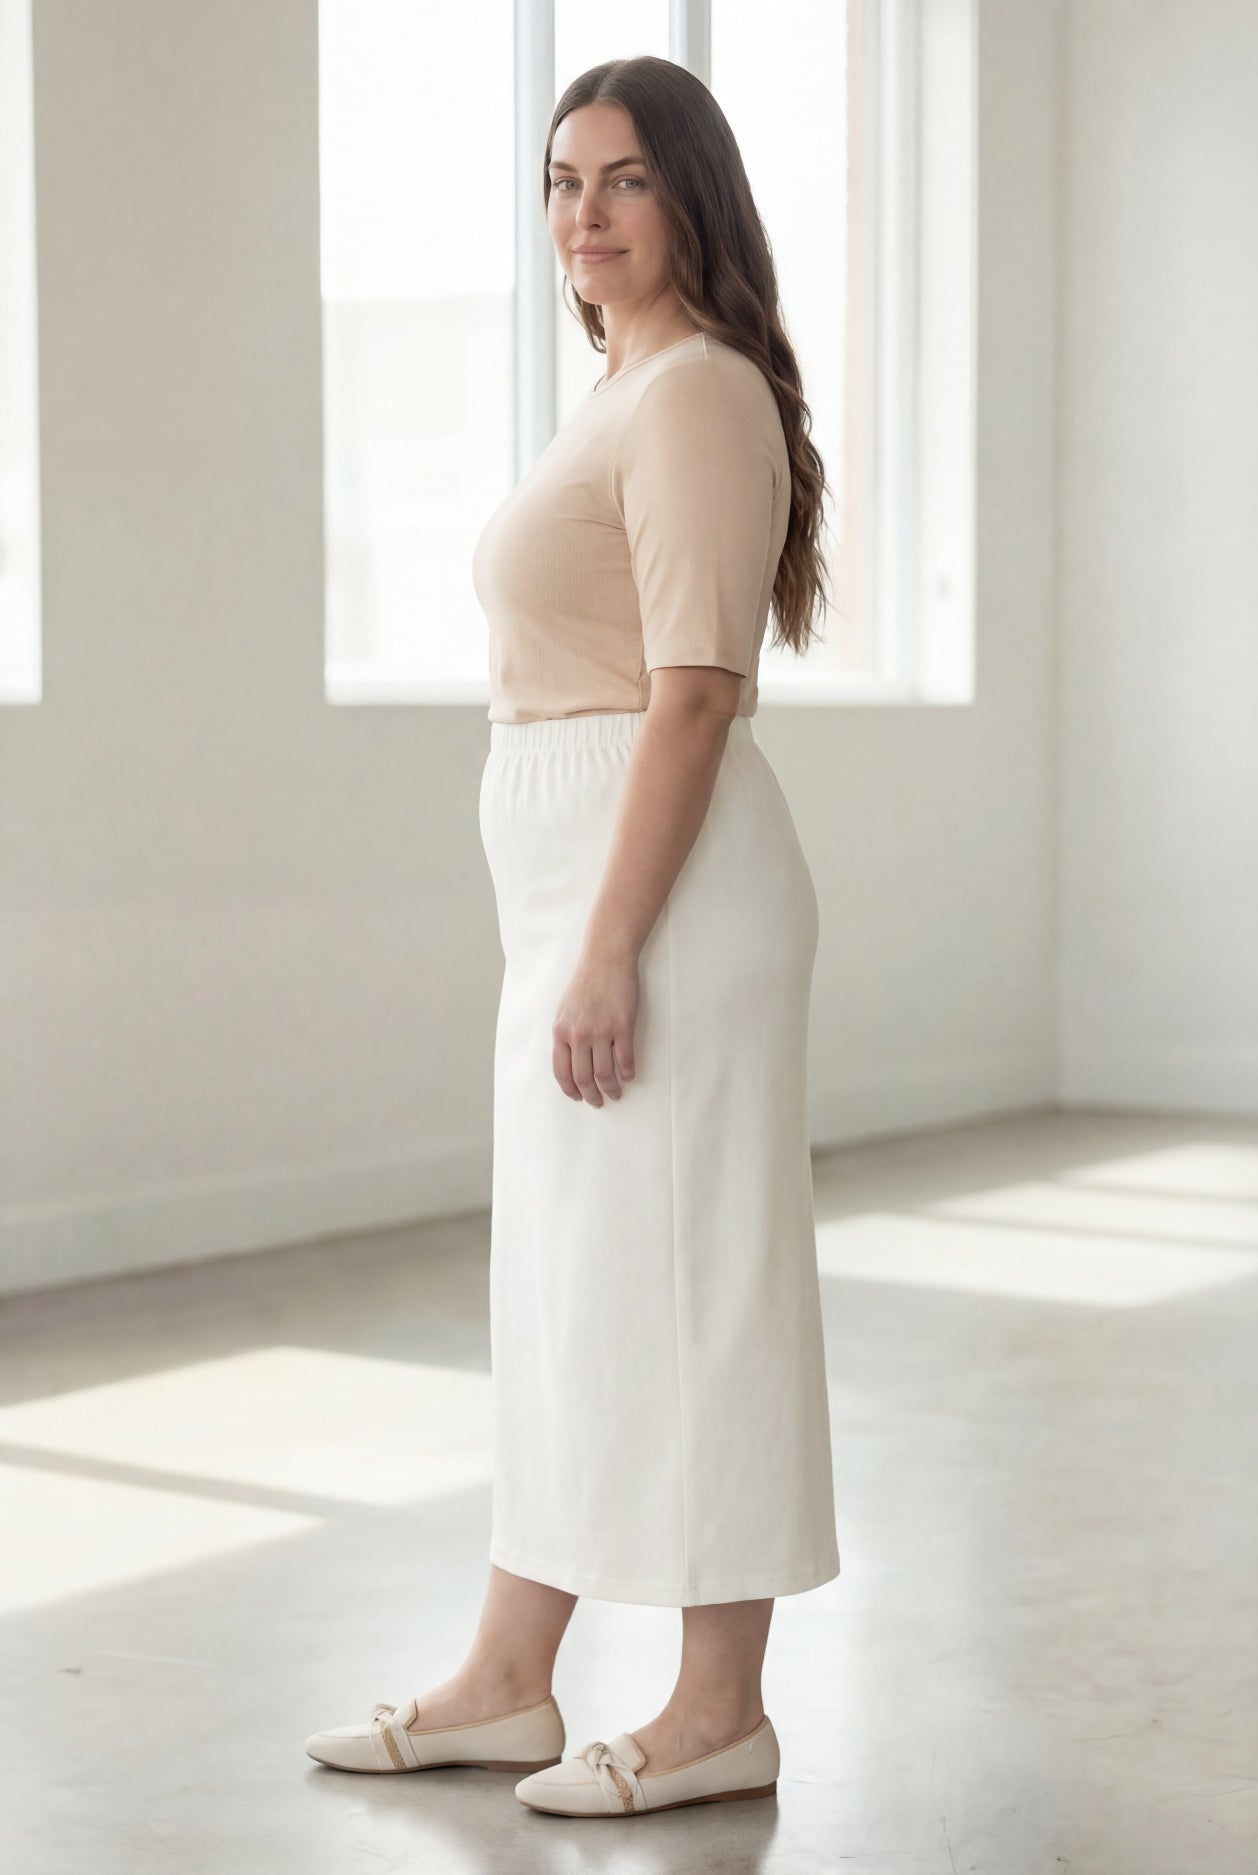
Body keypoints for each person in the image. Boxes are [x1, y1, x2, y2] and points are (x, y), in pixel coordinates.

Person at [305, 53, 840, 1820]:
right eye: (558, 182)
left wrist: (607, 946)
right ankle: (510, 1678)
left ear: (691, 195)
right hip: (583, 893)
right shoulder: (618, 391)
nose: (582, 215)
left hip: (659, 894)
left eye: (619, 179)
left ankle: (716, 1707)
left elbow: (694, 695)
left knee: (697, 1290)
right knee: (568, 1287)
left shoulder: (694, 395)